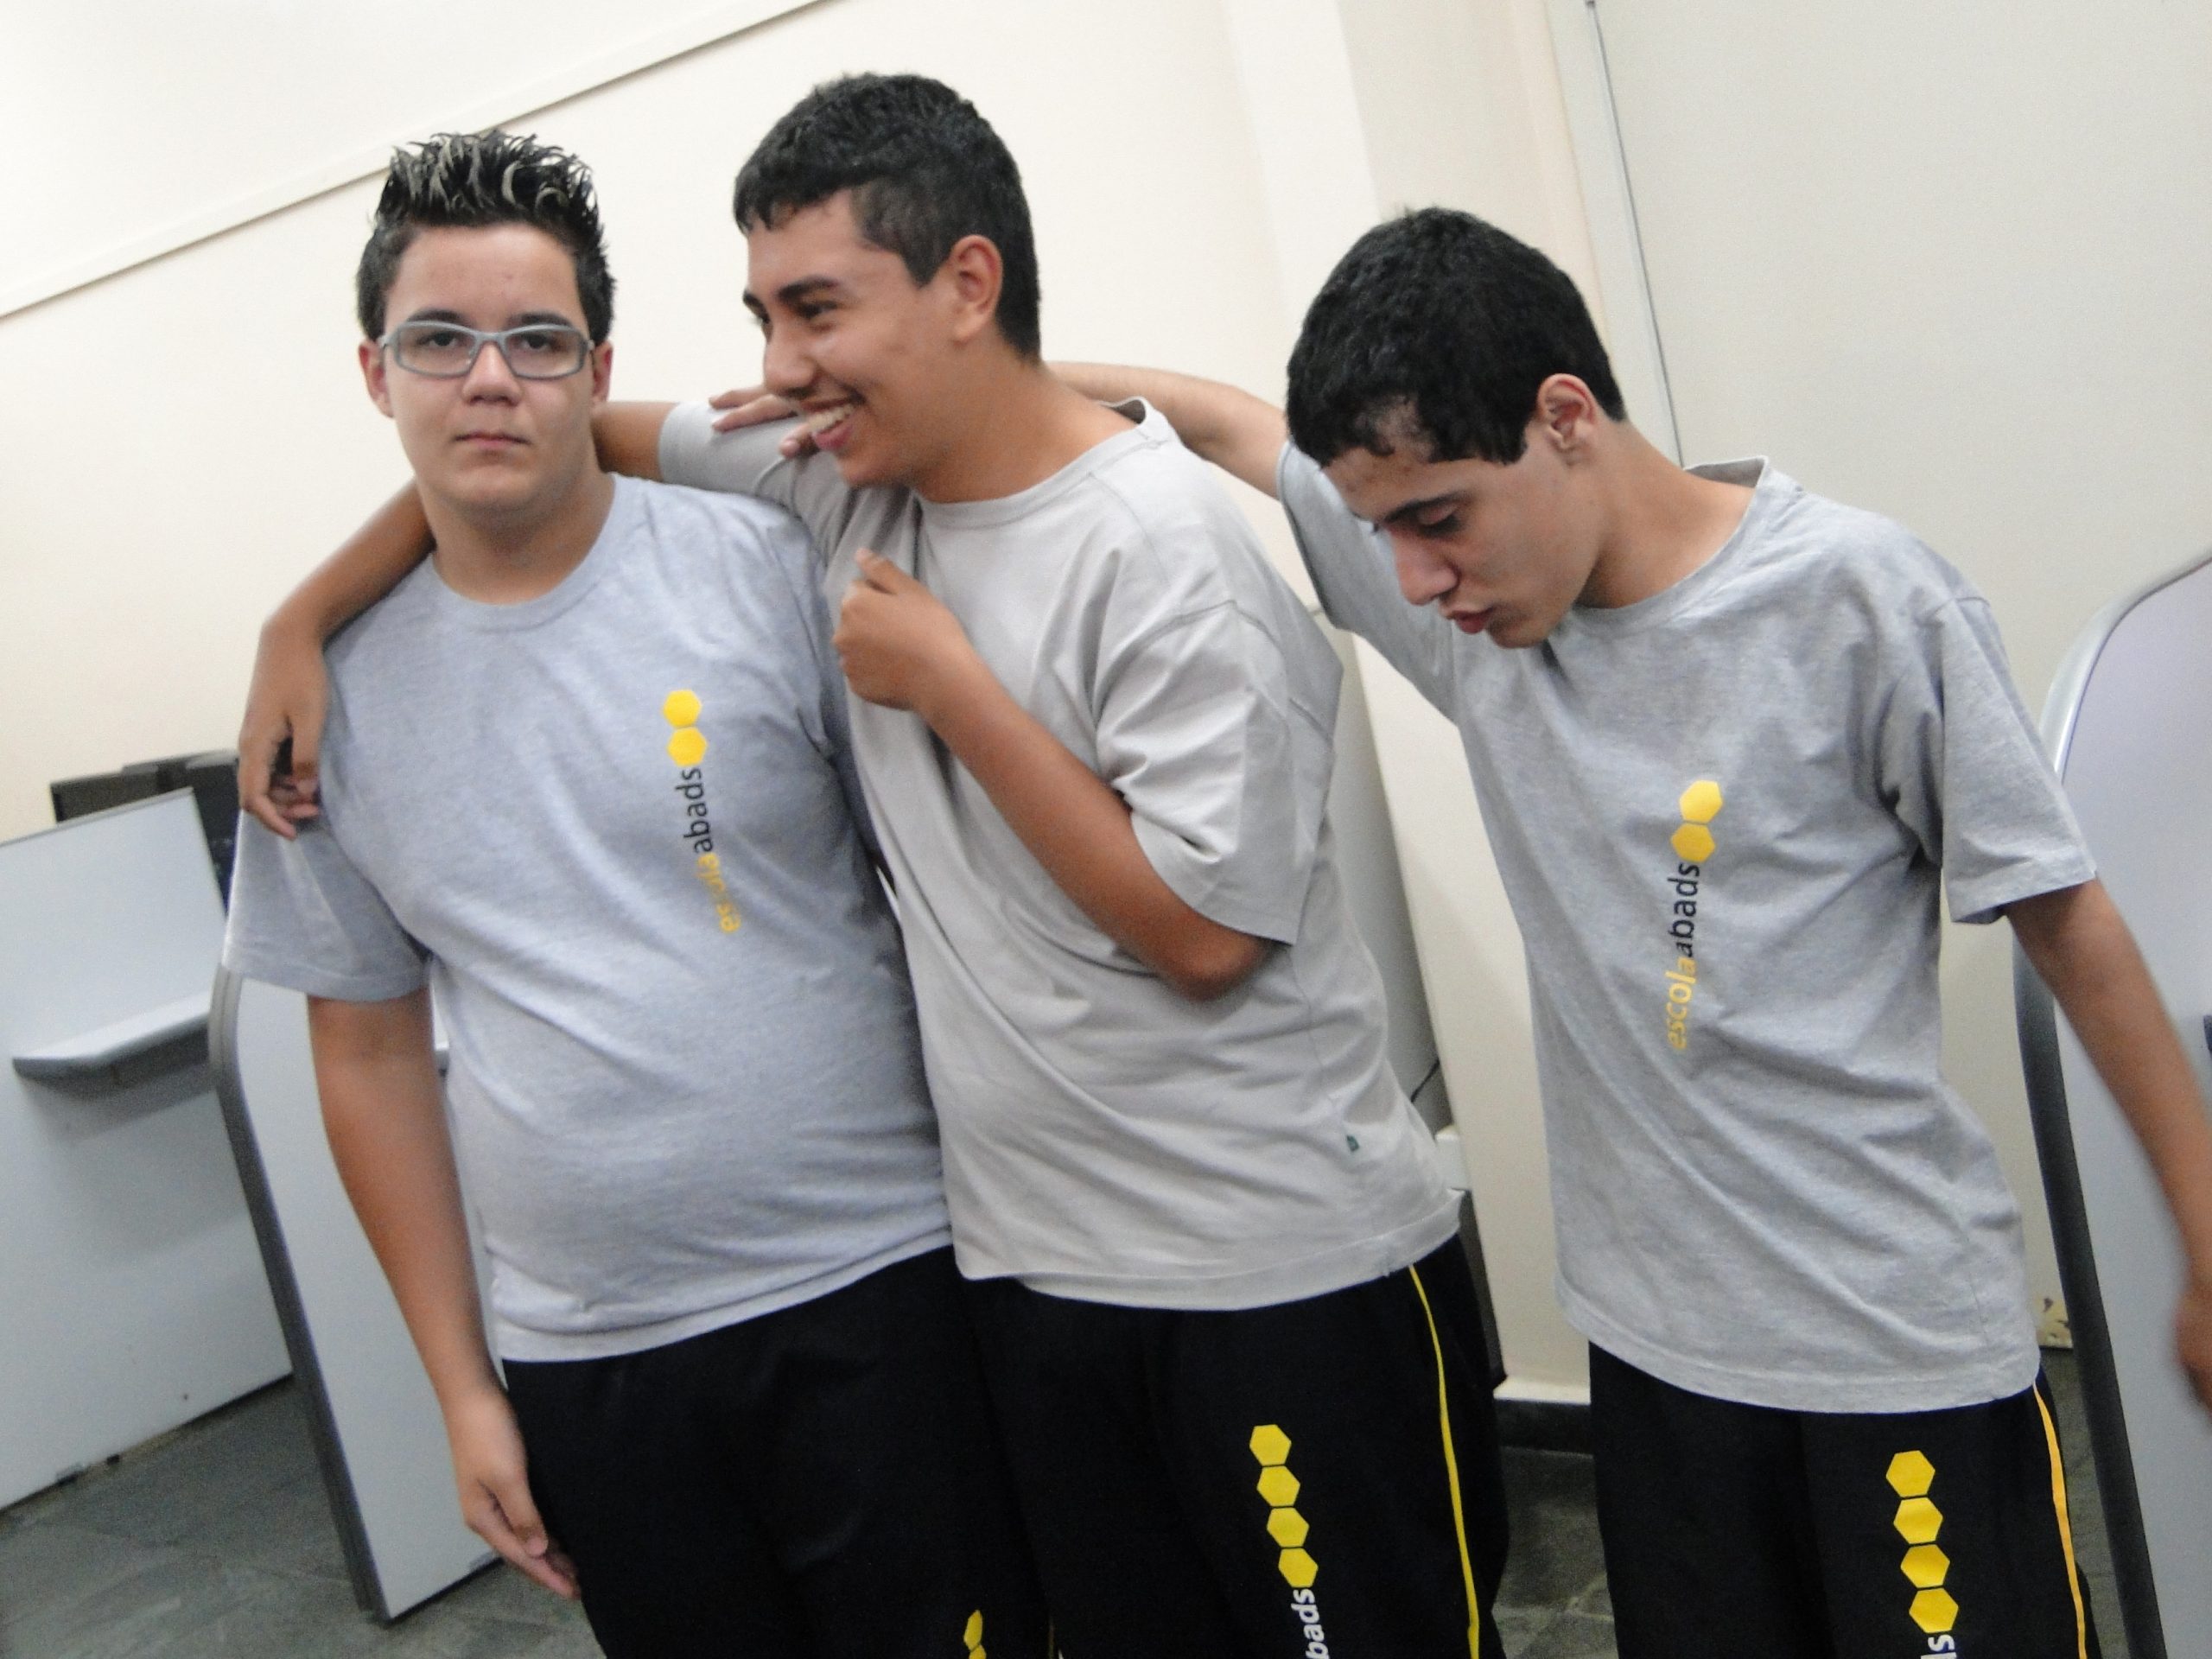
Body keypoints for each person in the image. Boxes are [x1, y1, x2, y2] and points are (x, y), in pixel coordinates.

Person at [239, 78, 1510, 1659]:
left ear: (967, 286)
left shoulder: (1140, 544)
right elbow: (534, 439)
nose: (781, 366)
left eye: (817, 310)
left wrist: (956, 686)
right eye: (766, 317)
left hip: (1256, 1270)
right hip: (1035, 1276)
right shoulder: (835, 485)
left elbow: (1201, 939)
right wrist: (306, 611)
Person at [1054, 207, 2212, 1658]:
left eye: (1438, 520)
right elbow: (1227, 421)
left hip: (1895, 1351)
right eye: (1381, 532)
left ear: (1566, 417)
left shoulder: (1860, 598)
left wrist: (2207, 1241)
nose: (1411, 580)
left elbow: (2072, 927)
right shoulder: (1482, 622)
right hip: (1658, 1369)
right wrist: (965, 384)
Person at [221, 129, 1046, 1659]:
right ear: (374, 373)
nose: (490, 380)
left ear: (599, 370)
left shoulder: (766, 564)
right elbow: (370, 1053)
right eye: (440, 341)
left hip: (883, 1282)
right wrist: (462, 1387)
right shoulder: (323, 706)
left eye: (537, 341)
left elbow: (938, 877)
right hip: (593, 1357)